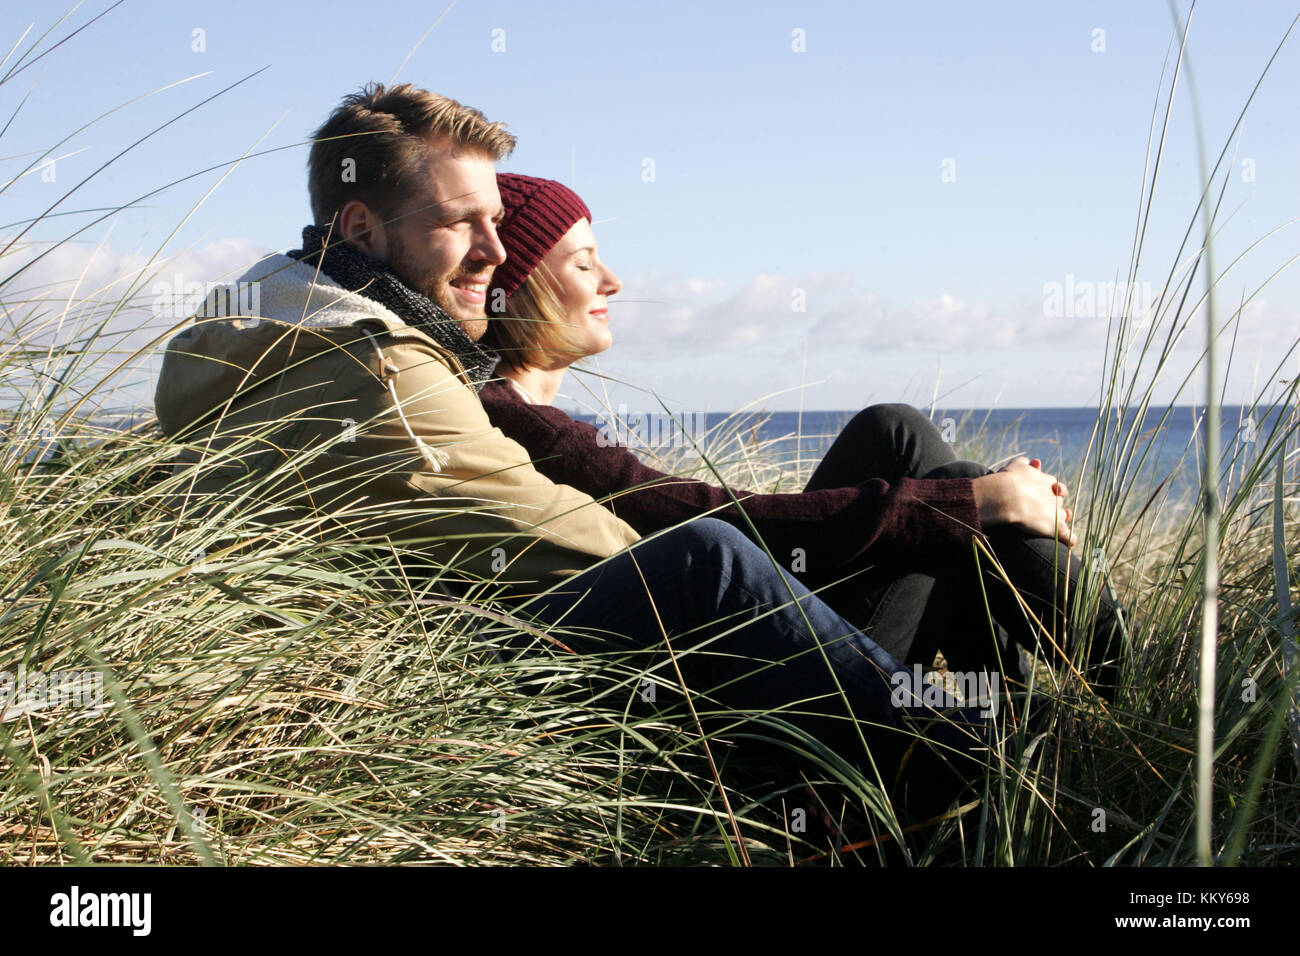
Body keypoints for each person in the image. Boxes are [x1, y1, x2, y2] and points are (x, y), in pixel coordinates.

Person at [151, 83, 1009, 830]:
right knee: (707, 562)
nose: (493, 249)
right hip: (465, 692)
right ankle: (981, 773)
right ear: (362, 227)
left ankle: (931, 763)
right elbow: (559, 535)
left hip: (433, 649)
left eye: (496, 221)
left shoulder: (286, 325)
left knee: (903, 479)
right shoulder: (374, 364)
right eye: (461, 222)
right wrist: (751, 591)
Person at [480, 173, 1125, 701]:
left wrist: (974, 498)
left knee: (899, 436)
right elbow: (729, 525)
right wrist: (980, 501)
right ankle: (1108, 689)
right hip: (756, 697)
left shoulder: (526, 416)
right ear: (522, 286)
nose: (612, 281)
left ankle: (1016, 719)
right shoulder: (521, 421)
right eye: (585, 263)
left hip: (735, 648)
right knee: (943, 488)